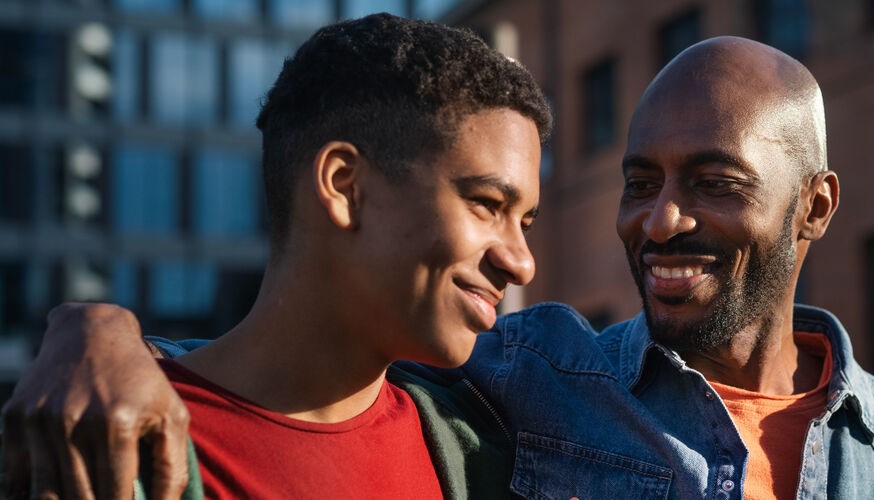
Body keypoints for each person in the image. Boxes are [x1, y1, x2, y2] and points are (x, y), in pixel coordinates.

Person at [3, 37, 874, 499]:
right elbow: (274, 374)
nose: (660, 219)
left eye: (712, 179)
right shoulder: (522, 387)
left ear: (814, 208)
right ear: (343, 184)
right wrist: (96, 326)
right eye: (638, 178)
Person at [1, 13, 551, 500]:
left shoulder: (501, 450)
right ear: (344, 186)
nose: (521, 263)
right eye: (486, 204)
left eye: (525, 222)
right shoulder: (103, 456)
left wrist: (96, 324)